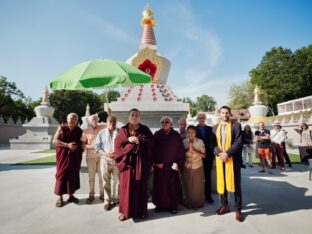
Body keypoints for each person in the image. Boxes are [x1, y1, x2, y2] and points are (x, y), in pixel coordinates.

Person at [114, 109, 153, 221]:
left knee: (141, 188)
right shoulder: (123, 130)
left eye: (136, 115)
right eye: (132, 115)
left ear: (139, 117)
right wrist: (128, 140)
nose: (134, 117)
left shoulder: (144, 129)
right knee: (126, 190)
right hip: (127, 165)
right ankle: (124, 213)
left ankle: (142, 211)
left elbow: (151, 143)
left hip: (140, 164)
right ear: (129, 117)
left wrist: (140, 141)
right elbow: (118, 145)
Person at [212, 106, 243, 222]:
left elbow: (238, 142)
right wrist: (220, 153)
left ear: (230, 114)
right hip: (221, 159)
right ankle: (225, 206)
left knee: (236, 185)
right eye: (222, 113)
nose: (224, 115)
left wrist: (227, 154)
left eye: (227, 113)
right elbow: (213, 144)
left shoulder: (236, 126)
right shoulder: (215, 128)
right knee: (222, 182)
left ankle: (238, 209)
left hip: (233, 160)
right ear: (220, 114)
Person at [153, 116, 185, 214]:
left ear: (171, 124)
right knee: (160, 188)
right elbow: (152, 150)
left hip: (172, 166)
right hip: (160, 166)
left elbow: (180, 150)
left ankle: (173, 206)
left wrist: (178, 163)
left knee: (172, 188)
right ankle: (160, 205)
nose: (164, 123)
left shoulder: (176, 135)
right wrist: (155, 163)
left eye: (167, 122)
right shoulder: (157, 134)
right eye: (162, 122)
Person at [53, 113, 83, 207]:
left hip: (74, 156)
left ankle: (71, 195)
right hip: (63, 155)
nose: (73, 120)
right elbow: (54, 140)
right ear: (67, 119)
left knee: (73, 175)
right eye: (71, 118)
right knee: (61, 174)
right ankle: (59, 197)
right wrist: (67, 145)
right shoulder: (62, 128)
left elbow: (81, 142)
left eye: (75, 118)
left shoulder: (79, 130)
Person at [94, 115, 119, 211]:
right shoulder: (101, 133)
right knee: (106, 182)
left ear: (116, 123)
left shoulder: (120, 132)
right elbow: (97, 147)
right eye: (110, 122)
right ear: (107, 122)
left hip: (117, 160)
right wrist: (106, 154)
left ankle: (117, 199)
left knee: (118, 182)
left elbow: (124, 146)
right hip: (105, 159)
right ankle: (107, 201)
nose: (112, 123)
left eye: (114, 122)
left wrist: (116, 153)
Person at [81, 114, 106, 204]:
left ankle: (102, 194)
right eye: (92, 119)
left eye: (96, 118)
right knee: (91, 177)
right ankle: (91, 195)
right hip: (90, 157)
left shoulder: (103, 127)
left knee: (101, 177)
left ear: (98, 119)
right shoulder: (86, 131)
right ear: (89, 121)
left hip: (101, 156)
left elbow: (111, 120)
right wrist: (93, 146)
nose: (94, 120)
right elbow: (83, 144)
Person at [182, 125, 206, 209]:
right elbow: (181, 155)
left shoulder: (200, 142)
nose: (191, 134)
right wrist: (188, 150)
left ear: (195, 133)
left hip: (197, 165)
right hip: (187, 166)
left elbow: (204, 155)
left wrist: (194, 151)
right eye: (189, 132)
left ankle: (198, 203)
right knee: (187, 185)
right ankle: (188, 202)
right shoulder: (184, 142)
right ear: (187, 133)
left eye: (192, 132)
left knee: (197, 186)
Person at [195, 112, 214, 204]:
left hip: (208, 156)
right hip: (197, 156)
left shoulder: (210, 129)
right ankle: (198, 195)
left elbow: (214, 142)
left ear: (205, 119)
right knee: (197, 177)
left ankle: (208, 195)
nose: (201, 119)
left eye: (203, 118)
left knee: (207, 177)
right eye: (199, 118)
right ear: (197, 119)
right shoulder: (194, 129)